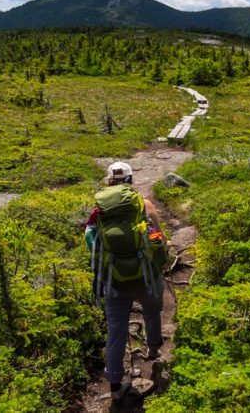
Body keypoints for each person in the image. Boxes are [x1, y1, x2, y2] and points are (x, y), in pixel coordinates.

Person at [85, 161, 164, 401]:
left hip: (114, 282)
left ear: (109, 181)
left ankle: (115, 386)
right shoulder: (145, 205)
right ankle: (153, 349)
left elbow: (90, 240)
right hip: (145, 277)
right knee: (152, 310)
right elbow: (159, 239)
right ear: (130, 180)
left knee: (116, 330)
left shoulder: (99, 211)